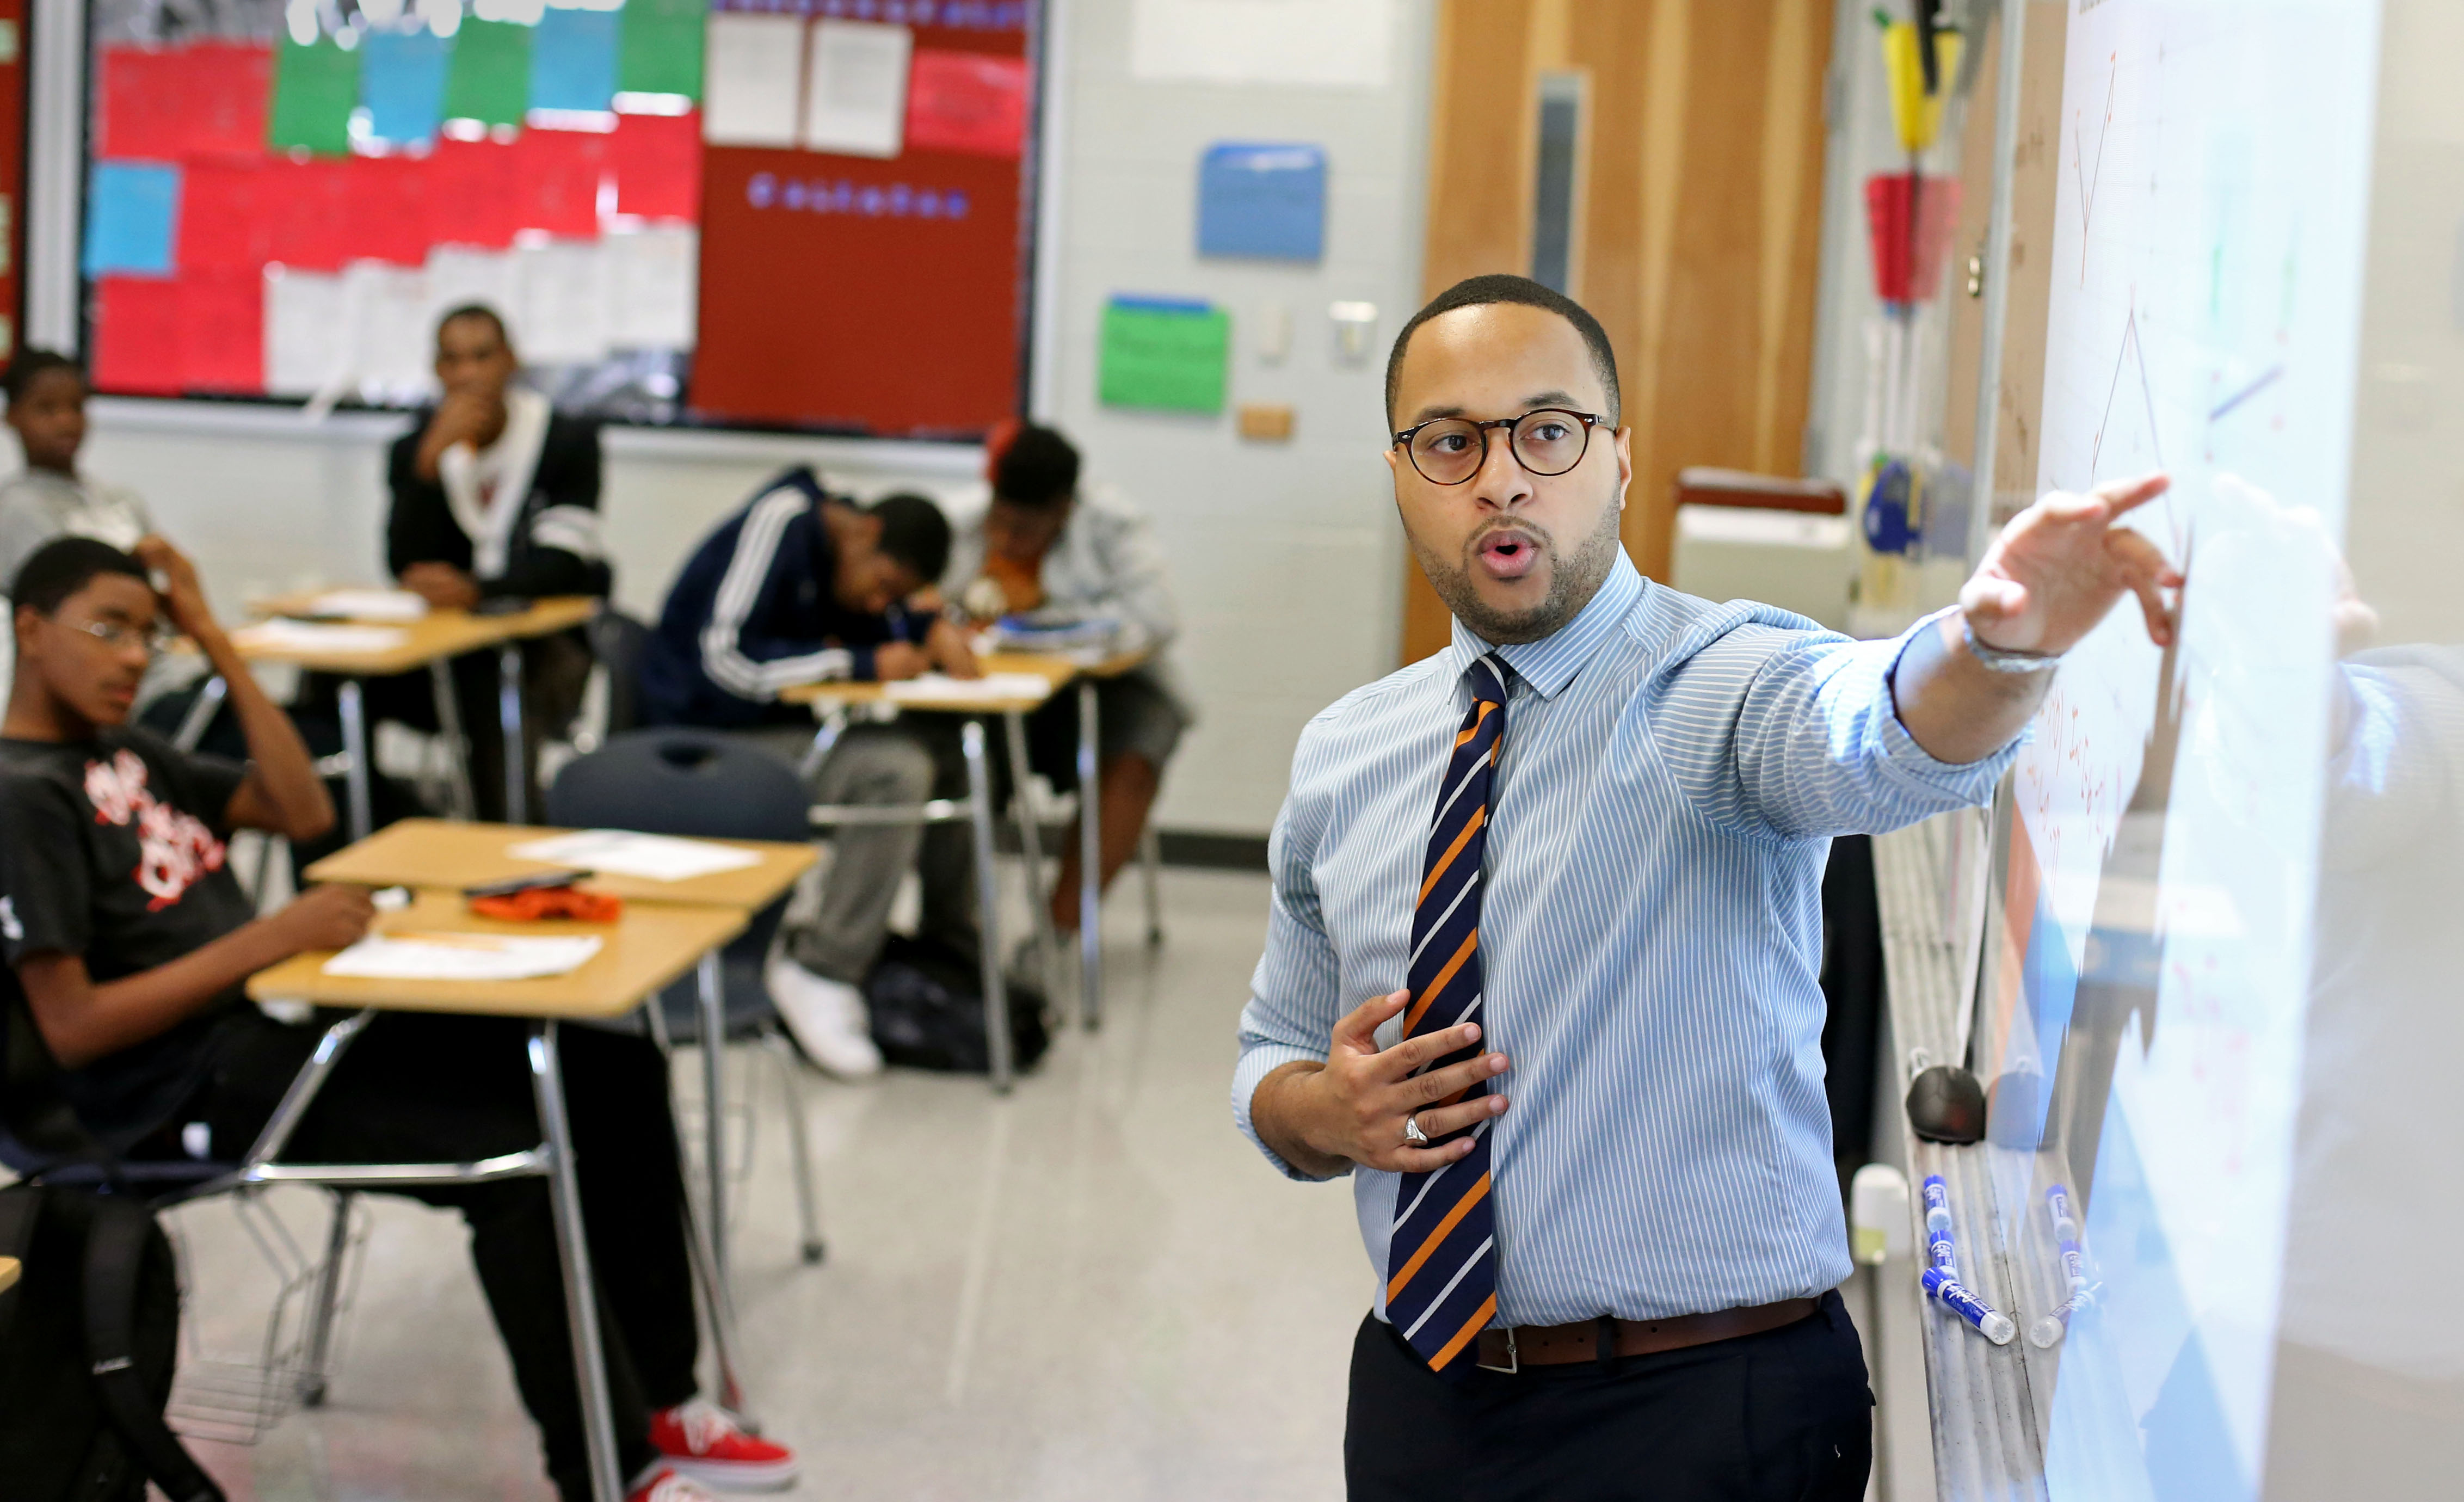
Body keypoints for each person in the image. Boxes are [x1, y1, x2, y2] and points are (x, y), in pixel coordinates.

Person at [1232, 274, 2179, 1500]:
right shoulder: (1343, 752)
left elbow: (1875, 729)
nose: (1502, 479)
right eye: (1450, 443)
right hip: (1426, 1400)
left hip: (1707, 1409)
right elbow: (1271, 1050)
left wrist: (1996, 646)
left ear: (1619, 460)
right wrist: (1322, 1113)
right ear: (1401, 471)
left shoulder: (1715, 683)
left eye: (1547, 432)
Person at [0, 537, 795, 1502]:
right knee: (513, 1153)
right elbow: (72, 1028)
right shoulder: (21, 797)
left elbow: (298, 811)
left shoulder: (122, 753)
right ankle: (611, 1473)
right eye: (108, 629)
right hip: (165, 1099)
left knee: (608, 1066)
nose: (133, 656)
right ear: (29, 629)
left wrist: (216, 638)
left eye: (149, 634)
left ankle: (662, 1402)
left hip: (256, 1040)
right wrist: (270, 938)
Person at [641, 469, 981, 1078]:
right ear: (865, 533)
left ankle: (948, 953)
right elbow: (724, 661)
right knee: (894, 772)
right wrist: (858, 661)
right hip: (700, 739)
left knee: (945, 755)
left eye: (893, 597)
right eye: (882, 586)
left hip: (765, 730)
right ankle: (823, 970)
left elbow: (866, 622)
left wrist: (927, 628)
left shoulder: (842, 554)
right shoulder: (782, 522)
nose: (879, 604)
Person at [348, 305, 608, 820]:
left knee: (490, 679)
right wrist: (427, 468)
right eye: (453, 360)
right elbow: (404, 565)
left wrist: (478, 590)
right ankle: (374, 831)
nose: (468, 374)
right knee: (339, 690)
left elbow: (565, 564)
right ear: (437, 371)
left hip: (543, 653)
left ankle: (506, 841)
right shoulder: (415, 447)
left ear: (511, 361)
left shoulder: (565, 440)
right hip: (439, 656)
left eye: (482, 357)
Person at [942, 422, 1190, 950]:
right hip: (1001, 694)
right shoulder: (958, 522)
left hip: (1112, 689)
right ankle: (951, 932)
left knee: (1136, 758)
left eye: (1025, 529)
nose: (1007, 540)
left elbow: (1157, 618)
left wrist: (1049, 612)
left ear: (1064, 511)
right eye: (1000, 523)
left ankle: (1056, 933)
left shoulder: (1113, 524)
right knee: (956, 757)